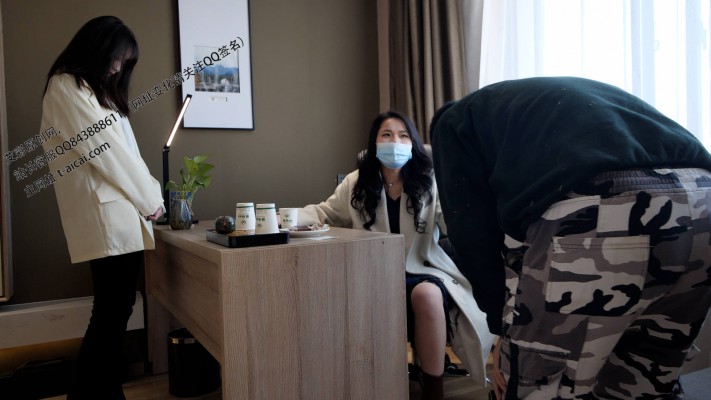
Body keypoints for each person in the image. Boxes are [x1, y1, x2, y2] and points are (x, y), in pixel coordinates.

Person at [430, 76, 711, 399]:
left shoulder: (453, 124)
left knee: (541, 385)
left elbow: (472, 236)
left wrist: (502, 330)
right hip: (702, 200)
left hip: (608, 204)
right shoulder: (531, 111)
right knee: (645, 378)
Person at [298, 111, 494, 400]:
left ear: (412, 143)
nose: (395, 142)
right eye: (387, 135)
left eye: (403, 136)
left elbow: (454, 219)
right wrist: (284, 218)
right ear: (374, 143)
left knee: (427, 295)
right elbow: (323, 213)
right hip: (373, 273)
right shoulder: (356, 182)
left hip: (424, 268)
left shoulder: (430, 181)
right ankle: (369, 383)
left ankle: (434, 391)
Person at [39, 16, 164, 399]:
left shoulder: (95, 93)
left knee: (115, 314)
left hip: (120, 215)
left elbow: (127, 155)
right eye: (116, 58)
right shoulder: (67, 86)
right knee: (111, 316)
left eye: (124, 63)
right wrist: (152, 201)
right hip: (108, 217)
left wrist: (150, 199)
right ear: (96, 48)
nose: (117, 68)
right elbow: (108, 154)